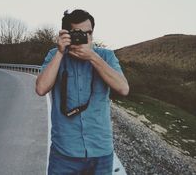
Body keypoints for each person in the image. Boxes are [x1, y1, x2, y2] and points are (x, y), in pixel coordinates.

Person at [35, 9, 129, 175]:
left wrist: (93, 57)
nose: (85, 38)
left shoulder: (105, 56)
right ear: (66, 34)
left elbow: (123, 88)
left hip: (100, 150)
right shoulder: (55, 55)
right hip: (65, 151)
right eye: (79, 33)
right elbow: (41, 88)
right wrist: (59, 52)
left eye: (89, 33)